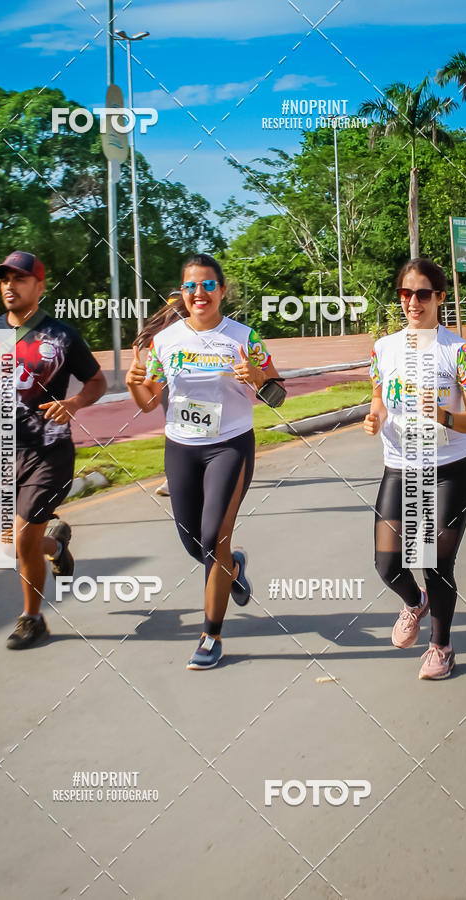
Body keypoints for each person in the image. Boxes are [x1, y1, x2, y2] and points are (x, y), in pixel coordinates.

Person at [126, 252, 284, 670]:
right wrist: (134, 386)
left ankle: (210, 635)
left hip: (229, 446)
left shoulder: (244, 337)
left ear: (222, 290)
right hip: (180, 447)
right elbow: (147, 403)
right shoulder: (166, 341)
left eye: (208, 285)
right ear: (183, 292)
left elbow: (278, 395)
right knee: (193, 542)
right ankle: (234, 566)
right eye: (191, 286)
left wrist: (260, 378)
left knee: (214, 539)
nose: (199, 293)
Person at [0, 251, 107, 649]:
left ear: (39, 287)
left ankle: (32, 618)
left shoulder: (62, 336)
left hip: (49, 451)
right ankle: (57, 544)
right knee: (9, 542)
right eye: (5, 279)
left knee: (23, 539)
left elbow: (96, 381)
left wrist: (74, 404)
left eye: (20, 279)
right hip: (0, 452)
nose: (10, 286)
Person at [364, 258, 466, 679]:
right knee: (387, 564)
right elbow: (379, 398)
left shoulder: (458, 351)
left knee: (434, 562)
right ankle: (415, 602)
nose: (412, 302)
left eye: (421, 294)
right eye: (404, 293)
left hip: (449, 465)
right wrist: (375, 416)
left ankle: (441, 647)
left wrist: (444, 416)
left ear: (440, 297)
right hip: (400, 465)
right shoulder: (384, 348)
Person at [133, 290, 187, 497]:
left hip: (194, 377)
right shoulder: (173, 315)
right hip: (169, 378)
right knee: (177, 427)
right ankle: (175, 477)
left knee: (194, 428)